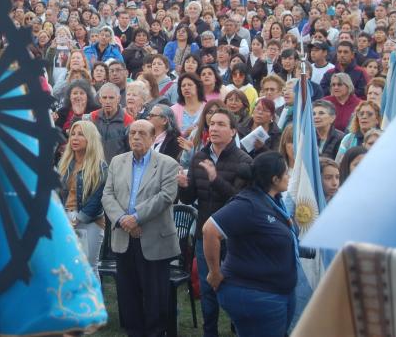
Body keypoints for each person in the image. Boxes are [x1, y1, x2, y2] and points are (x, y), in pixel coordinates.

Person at [202, 151, 297, 337]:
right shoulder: (248, 203)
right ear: (275, 179)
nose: (289, 177)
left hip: (277, 292)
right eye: (286, 173)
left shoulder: (273, 200)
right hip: (255, 294)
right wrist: (214, 272)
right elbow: (209, 230)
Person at [177, 108, 252, 337]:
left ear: (232, 131)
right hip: (204, 233)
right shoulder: (200, 156)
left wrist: (215, 179)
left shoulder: (244, 161)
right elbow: (190, 199)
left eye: (221, 124)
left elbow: (240, 201)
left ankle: (237, 329)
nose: (215, 128)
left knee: (235, 287)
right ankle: (210, 332)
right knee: (207, 286)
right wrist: (184, 186)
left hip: (233, 237)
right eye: (212, 124)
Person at [101, 119, 180, 337]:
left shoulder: (167, 163)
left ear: (153, 138)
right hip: (124, 236)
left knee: (155, 294)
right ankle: (134, 332)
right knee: (128, 292)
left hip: (154, 238)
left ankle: (155, 332)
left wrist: (136, 218)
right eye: (132, 133)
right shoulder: (117, 162)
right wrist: (123, 220)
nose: (136, 137)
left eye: (142, 133)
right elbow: (108, 195)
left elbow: (166, 197)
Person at [57, 121, 108, 277]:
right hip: (65, 218)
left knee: (88, 268)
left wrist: (77, 219)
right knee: (67, 267)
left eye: (80, 134)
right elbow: (58, 193)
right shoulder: (64, 163)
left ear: (90, 139)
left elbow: (98, 198)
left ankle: (94, 302)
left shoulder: (100, 167)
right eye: (73, 134)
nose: (75, 138)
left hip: (90, 221)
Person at [86, 83, 134, 162]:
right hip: (94, 168)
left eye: (111, 98)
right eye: (104, 98)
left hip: (118, 169)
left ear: (118, 99)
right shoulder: (92, 117)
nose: (107, 101)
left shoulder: (128, 121)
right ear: (100, 99)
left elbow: (131, 151)